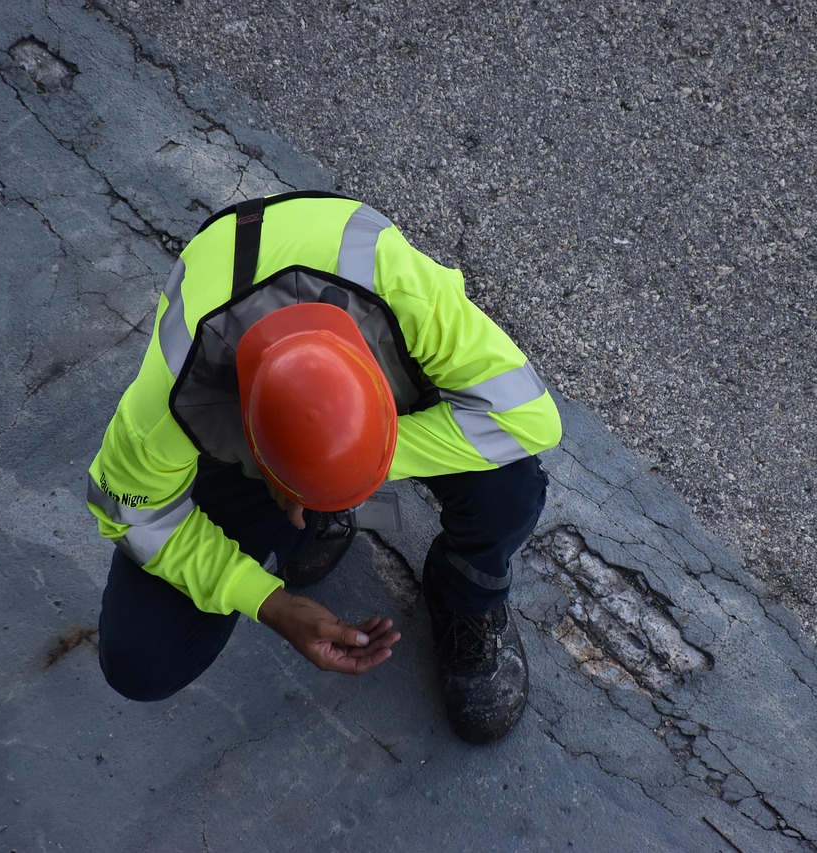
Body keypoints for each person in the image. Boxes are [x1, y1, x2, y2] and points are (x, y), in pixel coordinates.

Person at [86, 191, 562, 744]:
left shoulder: (405, 294)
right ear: (248, 440)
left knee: (509, 485)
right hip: (248, 441)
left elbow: (531, 417)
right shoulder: (168, 403)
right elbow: (131, 515)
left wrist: (360, 463)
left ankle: (464, 595)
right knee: (142, 661)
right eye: (298, 485)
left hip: (378, 396)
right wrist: (270, 602)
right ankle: (303, 516)